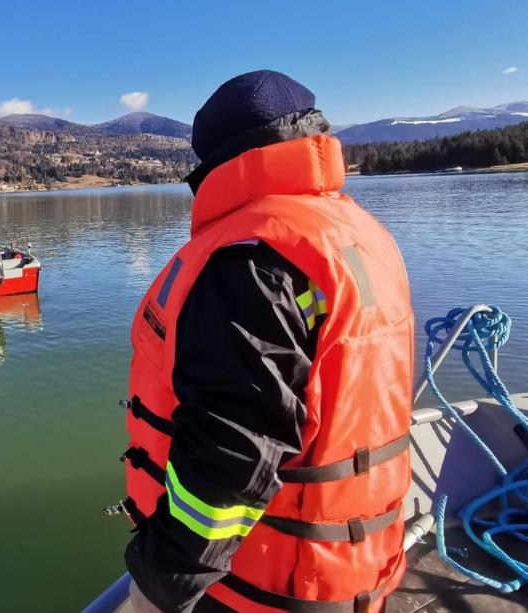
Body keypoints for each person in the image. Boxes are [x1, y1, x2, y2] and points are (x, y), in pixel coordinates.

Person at [120, 70, 414, 612]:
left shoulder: (251, 260)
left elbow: (232, 452)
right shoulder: (356, 231)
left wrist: (161, 584)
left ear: (214, 164)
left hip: (262, 586)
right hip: (351, 568)